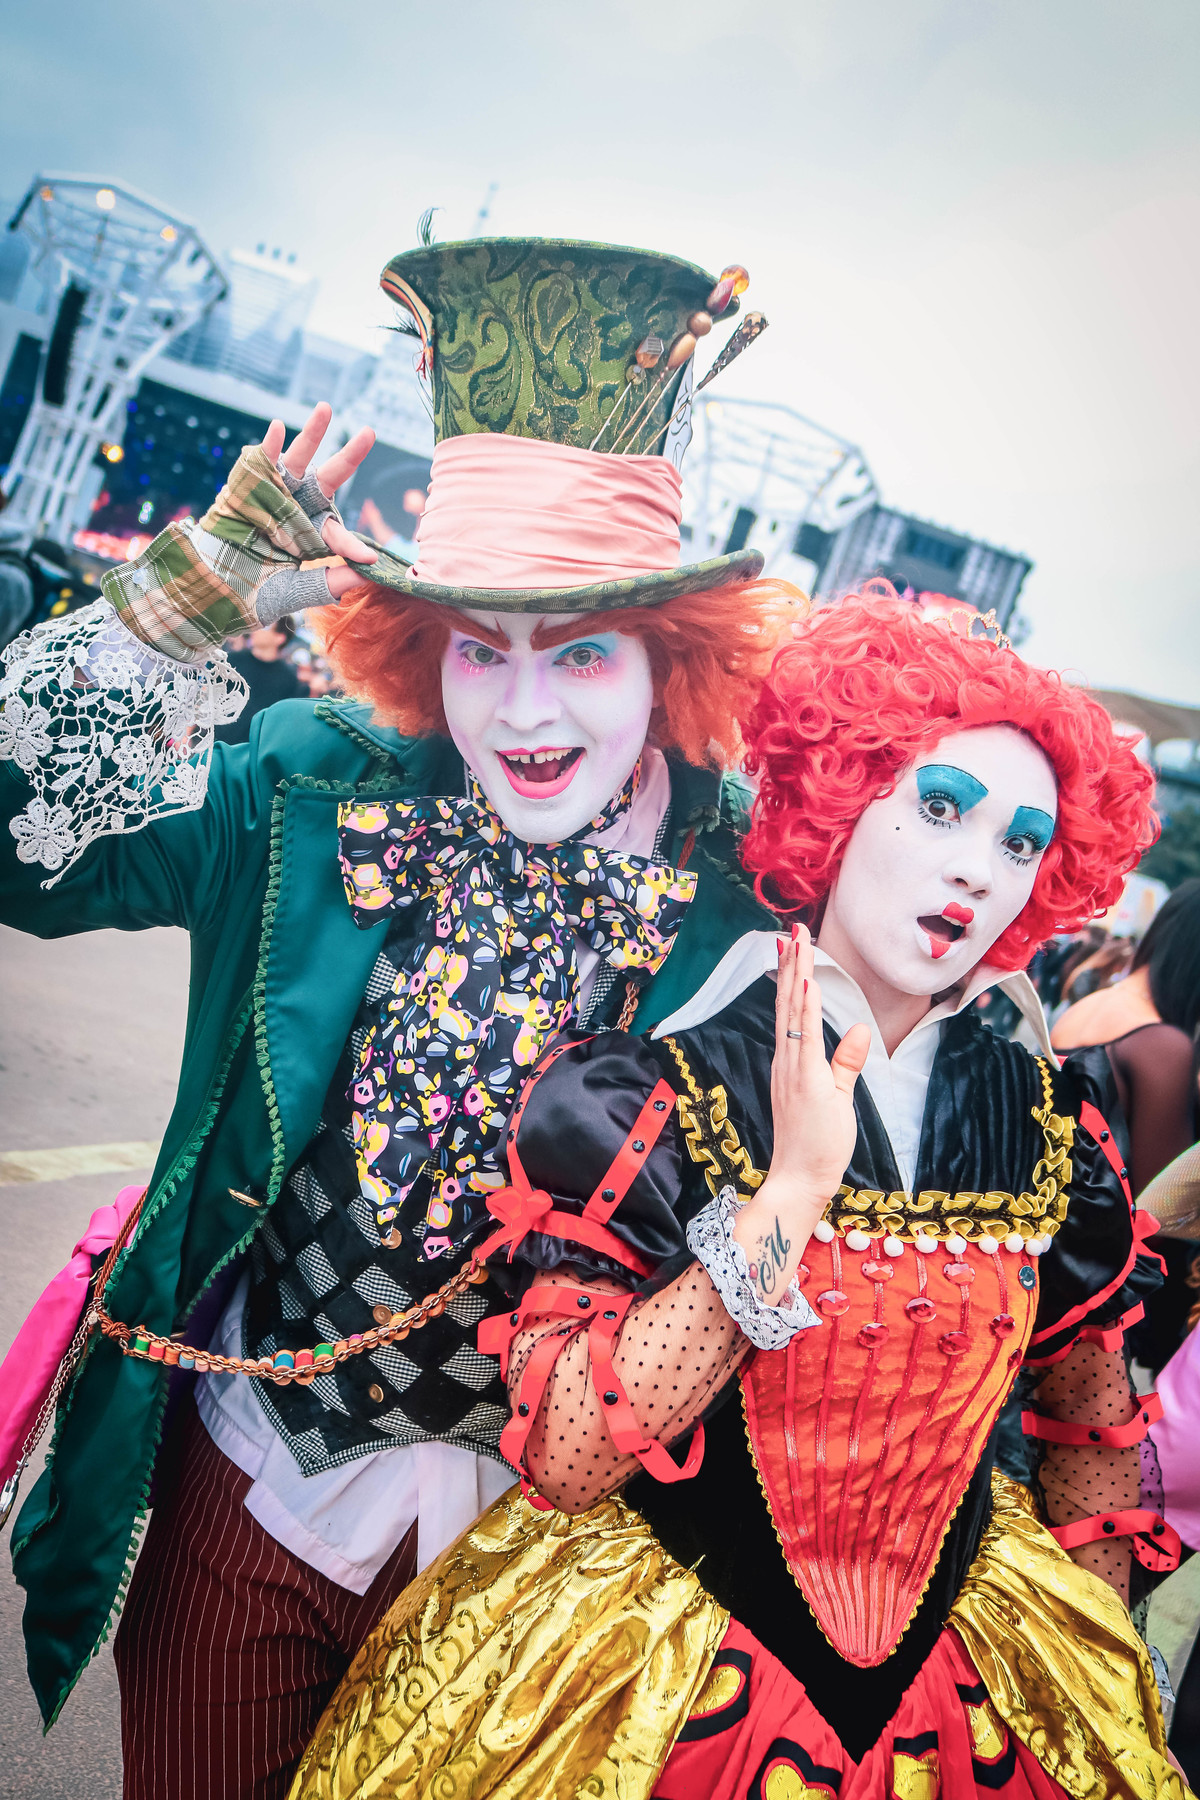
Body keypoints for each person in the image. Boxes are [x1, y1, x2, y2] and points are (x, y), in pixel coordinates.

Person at [0, 235, 789, 1799]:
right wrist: (170, 614)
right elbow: (28, 856)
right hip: (253, 1481)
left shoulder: (755, 888)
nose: (526, 711)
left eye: (582, 652)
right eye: (480, 651)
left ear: (670, 660)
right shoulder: (312, 782)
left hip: (540, 1575)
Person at [289, 595, 1185, 1800]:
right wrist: (790, 1195)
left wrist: (1097, 1659)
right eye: (939, 808)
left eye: (1022, 844)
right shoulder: (652, 1095)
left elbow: (1089, 1423)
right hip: (657, 1674)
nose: (978, 868)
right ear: (837, 799)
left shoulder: (1049, 1126)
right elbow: (568, 1454)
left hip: (969, 1684)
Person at [1053, 880, 1200, 1376]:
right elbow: (1163, 1212)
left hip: (1054, 1263)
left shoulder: (1093, 1005)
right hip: (1107, 1306)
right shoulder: (1164, 1045)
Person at [214, 616, 307, 745]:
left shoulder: (288, 678)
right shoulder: (231, 662)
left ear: (280, 638)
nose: (256, 630)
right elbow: (205, 695)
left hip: (253, 749)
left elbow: (282, 721)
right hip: (216, 745)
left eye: (266, 627)